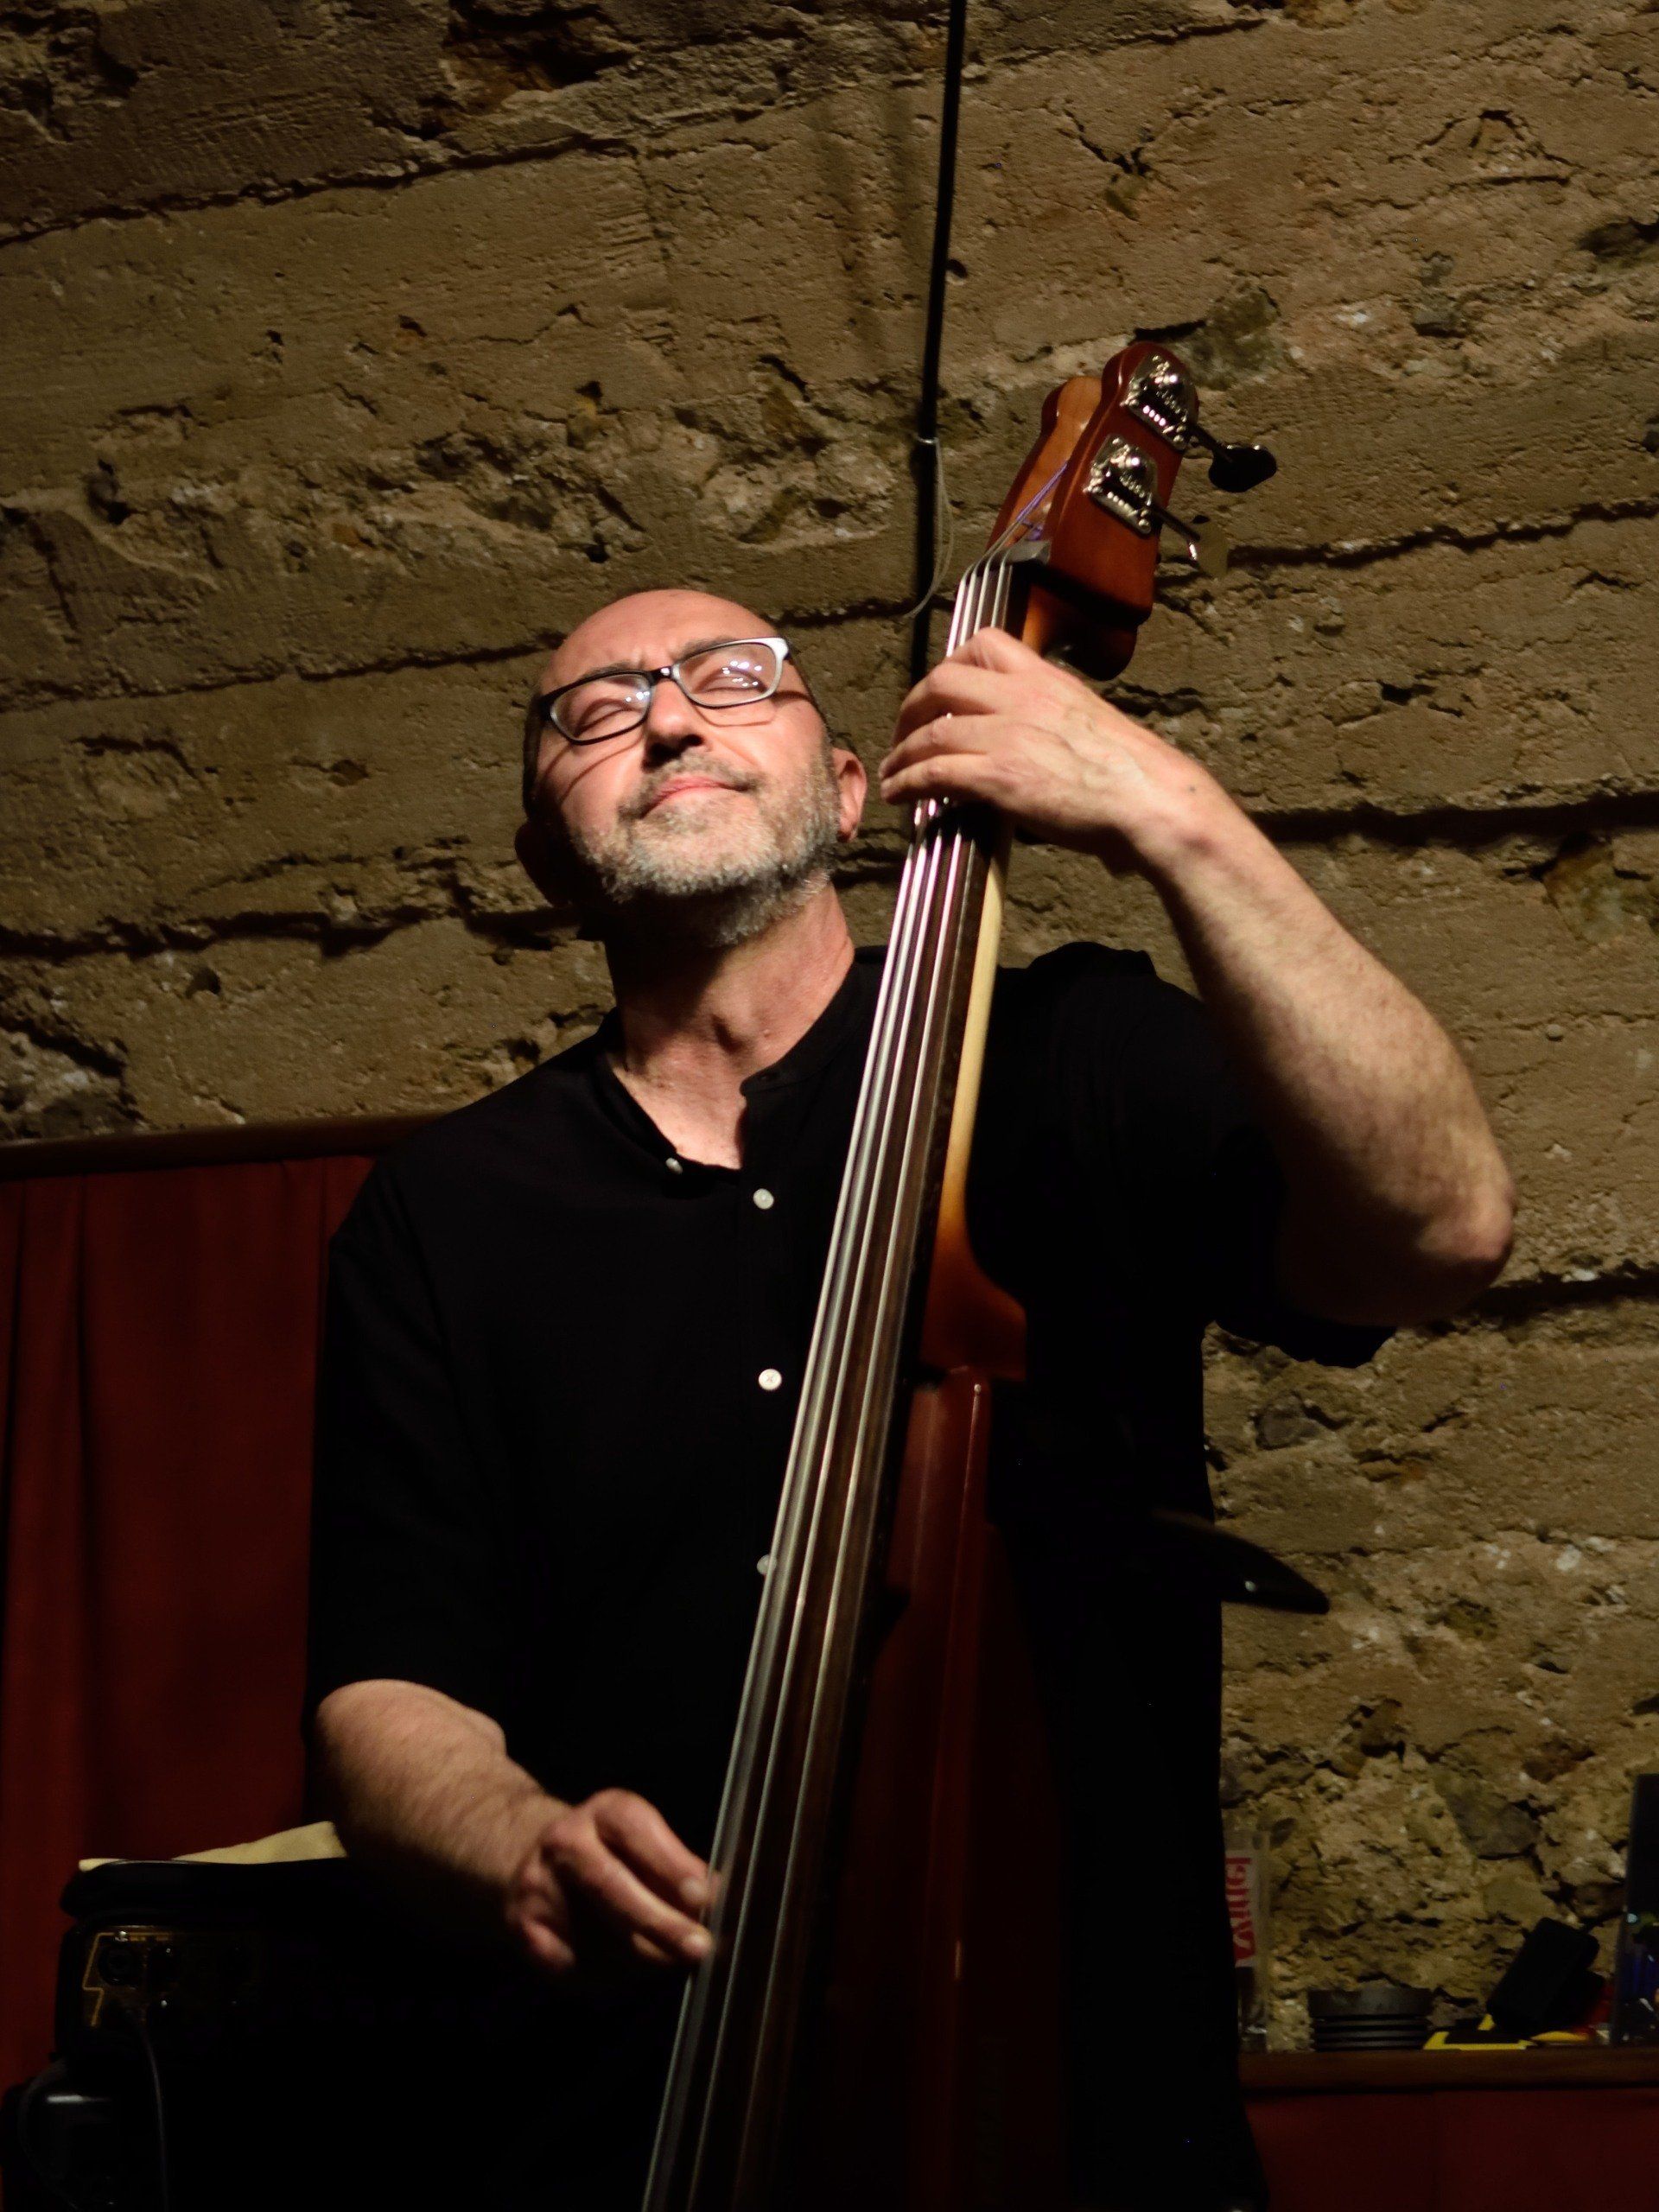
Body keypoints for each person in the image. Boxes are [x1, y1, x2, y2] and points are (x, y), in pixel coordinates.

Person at [305, 588, 1514, 2210]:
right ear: (544, 859)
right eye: (596, 710)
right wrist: (512, 1841)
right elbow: (386, 1692)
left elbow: (1441, 1233)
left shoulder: (1073, 1054)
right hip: (622, 2129)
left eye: (735, 680)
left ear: (851, 788)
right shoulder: (446, 1214)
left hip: (1068, 2123)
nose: (671, 719)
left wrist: (1174, 815)